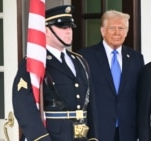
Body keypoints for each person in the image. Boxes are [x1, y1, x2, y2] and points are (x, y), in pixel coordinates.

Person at [12, 5, 98, 141]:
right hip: (51, 136)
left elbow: (90, 103)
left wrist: (93, 136)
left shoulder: (80, 61)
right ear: (46, 30)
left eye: (70, 27)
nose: (69, 31)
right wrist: (40, 137)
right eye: (63, 27)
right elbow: (23, 104)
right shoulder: (35, 62)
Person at [78, 10, 144, 141]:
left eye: (121, 28)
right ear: (102, 31)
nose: (117, 32)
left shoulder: (136, 58)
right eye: (112, 28)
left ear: (126, 32)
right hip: (97, 130)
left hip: (127, 130)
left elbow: (140, 95)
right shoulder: (85, 56)